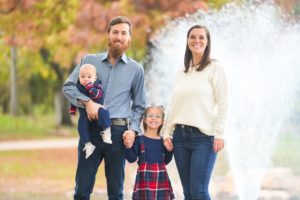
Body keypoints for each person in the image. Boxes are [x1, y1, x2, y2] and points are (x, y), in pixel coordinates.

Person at [62, 16, 146, 200]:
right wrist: (87, 102)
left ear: (129, 38)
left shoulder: (136, 69)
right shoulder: (88, 61)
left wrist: (133, 130)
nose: (119, 36)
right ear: (108, 35)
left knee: (116, 192)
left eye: (124, 33)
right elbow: (68, 87)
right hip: (90, 131)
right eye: (115, 32)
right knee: (82, 190)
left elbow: (139, 106)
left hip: (118, 133)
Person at [163, 25, 228, 200]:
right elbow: (174, 104)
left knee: (199, 191)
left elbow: (223, 102)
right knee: (188, 193)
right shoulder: (181, 72)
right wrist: (166, 133)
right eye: (193, 37)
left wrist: (220, 134)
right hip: (180, 138)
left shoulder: (215, 68)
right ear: (187, 41)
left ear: (207, 42)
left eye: (201, 37)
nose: (197, 41)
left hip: (204, 138)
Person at [125, 105, 175, 200]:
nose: (153, 118)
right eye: (150, 115)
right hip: (144, 180)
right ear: (144, 119)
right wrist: (128, 146)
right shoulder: (139, 139)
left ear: (162, 121)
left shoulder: (163, 141)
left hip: (161, 178)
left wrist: (169, 150)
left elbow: (167, 161)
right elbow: (131, 159)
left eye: (157, 116)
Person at [70, 63, 112, 159]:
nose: (86, 79)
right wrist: (73, 109)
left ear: (94, 78)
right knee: (81, 127)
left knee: (105, 113)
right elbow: (74, 99)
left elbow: (97, 95)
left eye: (89, 76)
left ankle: (106, 131)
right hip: (84, 113)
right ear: (79, 77)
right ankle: (88, 144)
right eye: (83, 76)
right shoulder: (78, 87)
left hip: (99, 108)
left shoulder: (97, 85)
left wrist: (90, 87)